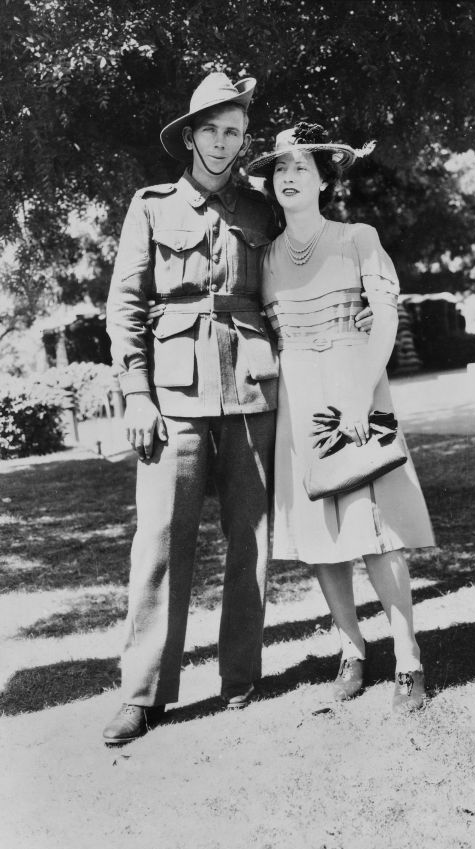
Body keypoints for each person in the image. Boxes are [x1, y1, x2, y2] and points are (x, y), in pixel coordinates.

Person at [103, 73, 375, 745]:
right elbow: (126, 307)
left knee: (249, 541)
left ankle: (239, 677)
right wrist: (136, 392)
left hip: (255, 384)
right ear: (189, 137)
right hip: (172, 394)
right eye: (211, 131)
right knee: (162, 542)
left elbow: (296, 272)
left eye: (233, 133)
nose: (223, 144)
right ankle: (143, 694)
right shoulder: (150, 206)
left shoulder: (260, 211)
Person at [247, 123, 435, 712]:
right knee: (321, 537)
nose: (289, 177)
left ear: (325, 178)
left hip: (357, 391)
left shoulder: (358, 237)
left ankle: (407, 658)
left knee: (377, 533)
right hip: (298, 402)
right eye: (280, 168)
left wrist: (358, 395)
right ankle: (352, 649)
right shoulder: (265, 258)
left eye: (302, 167)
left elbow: (383, 318)